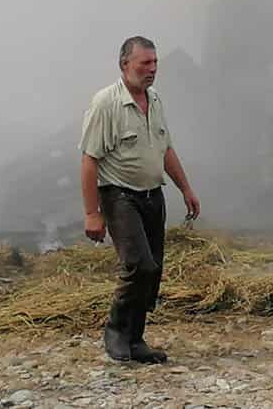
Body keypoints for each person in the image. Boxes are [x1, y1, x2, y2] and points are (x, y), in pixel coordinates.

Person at [79, 36, 200, 363]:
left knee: (153, 269)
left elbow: (166, 148)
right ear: (124, 65)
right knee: (138, 264)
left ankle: (136, 340)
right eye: (144, 63)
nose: (152, 69)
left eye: (155, 63)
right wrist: (92, 213)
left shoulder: (155, 99)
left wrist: (185, 189)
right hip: (120, 196)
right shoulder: (106, 103)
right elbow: (89, 160)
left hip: (152, 196)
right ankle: (116, 333)